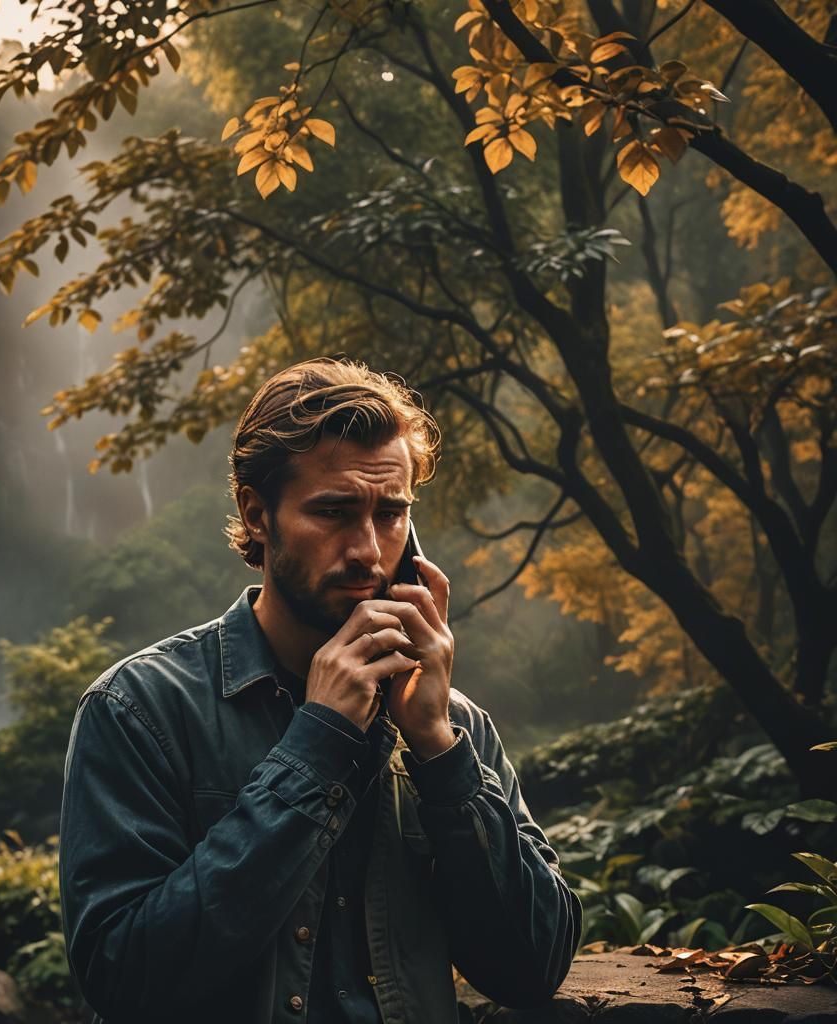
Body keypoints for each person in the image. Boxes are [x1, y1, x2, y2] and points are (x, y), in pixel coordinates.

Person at [59, 358, 582, 1024]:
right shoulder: (138, 710)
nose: (368, 550)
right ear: (257, 514)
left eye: (392, 514)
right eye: (334, 512)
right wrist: (318, 744)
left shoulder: (451, 725)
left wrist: (438, 751)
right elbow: (123, 978)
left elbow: (535, 970)